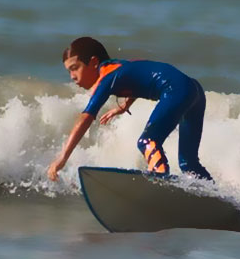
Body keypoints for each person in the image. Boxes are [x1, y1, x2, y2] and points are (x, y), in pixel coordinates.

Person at [47, 37, 213, 182]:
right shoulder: (118, 67)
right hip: (194, 90)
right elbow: (139, 67)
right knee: (188, 163)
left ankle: (160, 181)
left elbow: (85, 118)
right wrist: (125, 105)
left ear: (93, 62)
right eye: (69, 71)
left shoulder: (106, 78)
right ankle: (212, 194)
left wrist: (61, 158)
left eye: (75, 68)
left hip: (176, 89)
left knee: (147, 141)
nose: (72, 76)